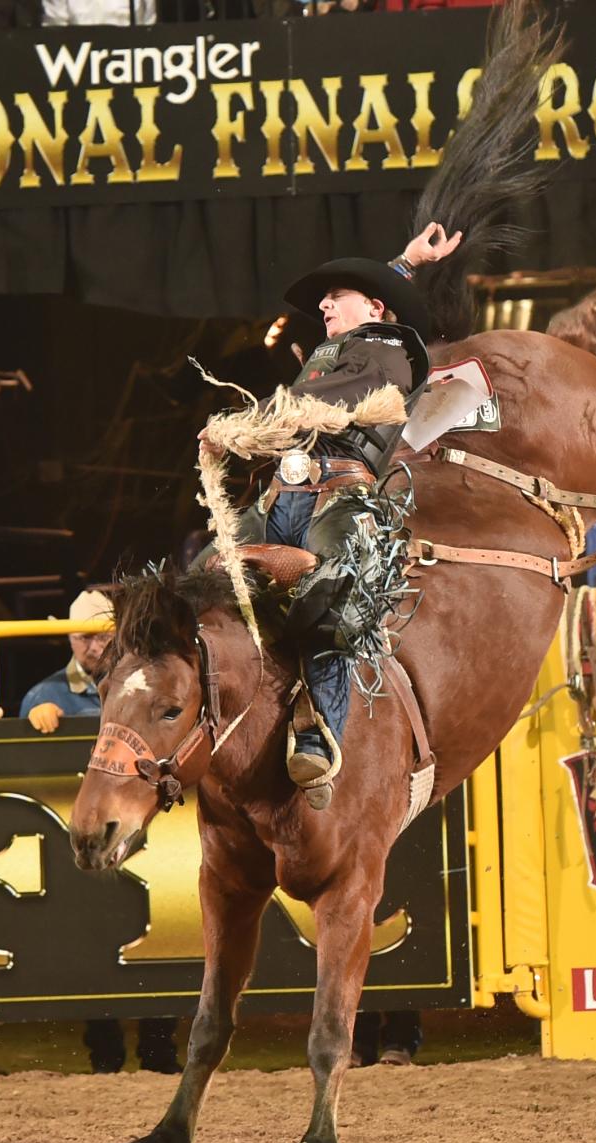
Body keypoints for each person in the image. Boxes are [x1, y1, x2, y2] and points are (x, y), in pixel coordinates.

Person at [198, 223, 461, 808]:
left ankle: (318, 731)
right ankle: (204, 707)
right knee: (204, 575)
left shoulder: (392, 350)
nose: (321, 305)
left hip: (340, 496)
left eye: (335, 297)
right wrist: (408, 261)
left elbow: (330, 404)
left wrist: (242, 426)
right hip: (282, 497)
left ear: (374, 307)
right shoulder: (332, 351)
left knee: (332, 595)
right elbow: (317, 390)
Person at [18, 588, 181, 1073]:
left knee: (157, 941)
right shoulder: (46, 695)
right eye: (81, 636)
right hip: (91, 837)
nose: (91, 646)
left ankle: (158, 1048)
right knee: (94, 939)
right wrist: (32, 720)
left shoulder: (145, 688)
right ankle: (104, 1054)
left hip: (150, 840)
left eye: (100, 636)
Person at [19, 589, 113, 732]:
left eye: (103, 637)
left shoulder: (141, 687)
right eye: (85, 637)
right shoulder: (44, 696)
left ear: (117, 638)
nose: (94, 647)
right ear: (70, 639)